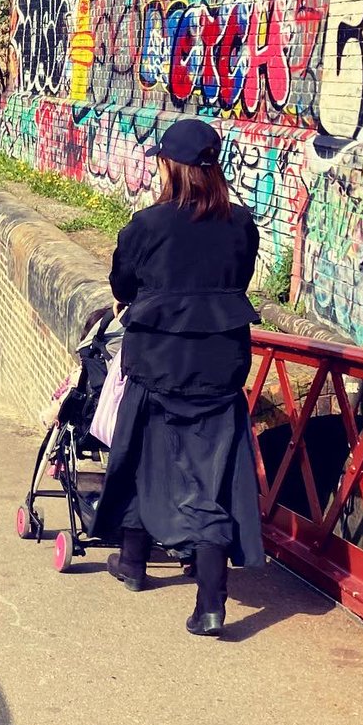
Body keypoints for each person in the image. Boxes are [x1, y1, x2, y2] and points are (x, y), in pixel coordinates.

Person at [92, 117, 263, 638]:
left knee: (143, 457)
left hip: (158, 366)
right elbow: (240, 278)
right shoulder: (241, 224)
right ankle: (162, 575)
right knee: (208, 475)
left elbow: (122, 283)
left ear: (170, 166)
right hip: (219, 370)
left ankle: (158, 574)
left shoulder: (147, 225)